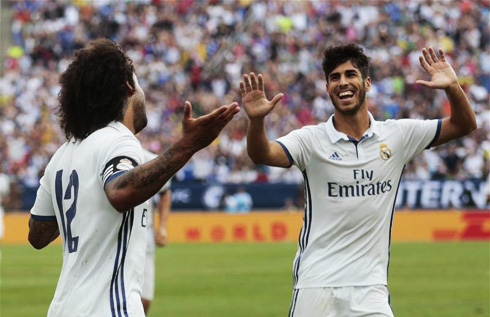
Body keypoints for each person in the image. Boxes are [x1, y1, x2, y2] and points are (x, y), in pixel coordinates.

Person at [240, 43, 476, 317]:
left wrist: (452, 87)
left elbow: (464, 124)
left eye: (350, 74)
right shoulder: (311, 139)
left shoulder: (397, 135)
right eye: (334, 77)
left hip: (370, 288)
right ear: (328, 89)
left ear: (366, 83)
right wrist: (256, 122)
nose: (342, 83)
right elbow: (262, 153)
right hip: (316, 285)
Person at [27, 38, 239, 317]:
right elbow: (120, 192)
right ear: (128, 88)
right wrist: (188, 145)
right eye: (139, 85)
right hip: (109, 309)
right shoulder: (119, 139)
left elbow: (37, 234)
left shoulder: (63, 154)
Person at [140, 149, 172, 315]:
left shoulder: (148, 159)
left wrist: (162, 227)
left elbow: (165, 191)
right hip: (111, 239)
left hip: (144, 238)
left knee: (144, 301)